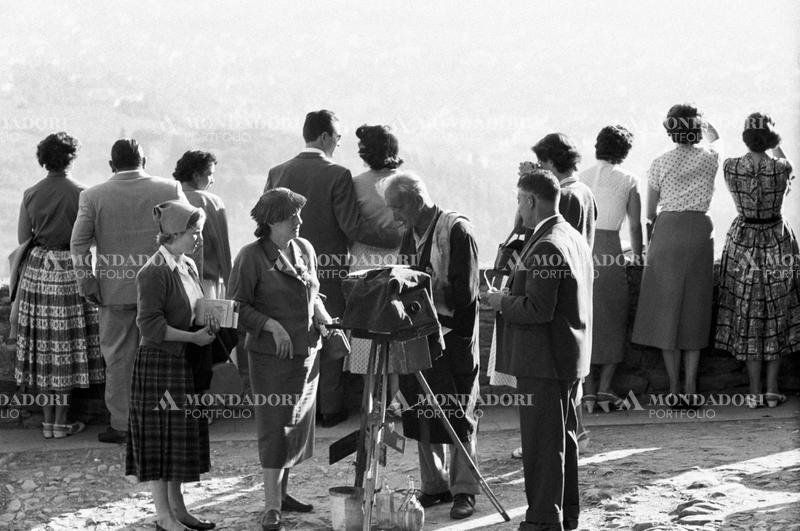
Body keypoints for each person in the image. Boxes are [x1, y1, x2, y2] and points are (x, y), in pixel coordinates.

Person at [265, 110, 401, 427]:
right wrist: (397, 238)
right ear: (325, 137)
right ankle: (329, 410)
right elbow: (353, 228)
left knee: (290, 335)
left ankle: (293, 410)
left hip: (280, 267)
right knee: (329, 337)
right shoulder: (338, 174)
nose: (339, 145)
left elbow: (264, 221)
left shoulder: (277, 172)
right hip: (328, 270)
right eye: (338, 138)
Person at [485, 168, 593, 531]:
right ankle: (566, 514)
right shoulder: (572, 235)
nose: (518, 207)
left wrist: (500, 301)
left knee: (541, 445)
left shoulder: (546, 244)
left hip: (545, 360)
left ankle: (543, 521)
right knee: (563, 440)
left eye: (519, 200)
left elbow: (536, 309)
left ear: (530, 201)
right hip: (567, 356)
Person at [228, 188, 333, 531]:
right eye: (292, 217)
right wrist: (271, 325)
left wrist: (322, 316)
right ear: (271, 222)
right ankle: (271, 506)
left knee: (295, 425)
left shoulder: (304, 249)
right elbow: (238, 307)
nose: (299, 222)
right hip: (270, 359)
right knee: (274, 429)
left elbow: (313, 292)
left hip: (306, 355)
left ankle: (283, 495)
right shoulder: (250, 257)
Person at [71, 138, 186, 444]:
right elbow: (188, 236)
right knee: (165, 355)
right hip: (165, 289)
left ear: (112, 165)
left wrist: (88, 279)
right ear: (144, 162)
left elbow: (79, 243)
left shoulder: (93, 196)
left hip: (115, 291)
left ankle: (122, 425)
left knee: (119, 360)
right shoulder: (170, 189)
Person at [384, 172, 481, 520]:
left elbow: (466, 294)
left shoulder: (456, 230)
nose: (395, 217)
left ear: (417, 201)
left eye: (398, 208)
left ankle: (465, 489)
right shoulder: (410, 233)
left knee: (457, 413)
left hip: (454, 338)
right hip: (420, 337)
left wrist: (425, 295)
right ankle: (434, 486)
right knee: (422, 409)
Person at [126, 200, 216, 531]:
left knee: (178, 440)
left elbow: (194, 307)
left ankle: (179, 510)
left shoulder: (186, 265)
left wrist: (213, 318)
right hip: (161, 363)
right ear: (175, 233)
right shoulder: (153, 272)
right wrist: (192, 339)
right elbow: (150, 326)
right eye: (195, 232)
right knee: (161, 441)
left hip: (184, 362)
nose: (199, 239)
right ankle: (163, 515)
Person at [15, 132, 104, 439]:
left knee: (44, 348)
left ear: (43, 159)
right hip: (70, 268)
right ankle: (62, 420)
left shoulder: (30, 193)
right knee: (66, 346)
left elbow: (22, 239)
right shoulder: (83, 194)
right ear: (71, 158)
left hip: (39, 271)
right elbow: (90, 238)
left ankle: (48, 421)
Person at [632, 104, 720, 405]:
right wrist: (700, 123)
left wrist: (645, 246)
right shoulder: (711, 157)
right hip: (698, 230)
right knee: (695, 310)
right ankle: (692, 389)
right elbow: (714, 135)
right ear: (696, 128)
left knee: (666, 310)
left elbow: (648, 214)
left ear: (670, 131)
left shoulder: (659, 163)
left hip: (667, 230)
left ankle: (672, 389)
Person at [715, 113, 800, 408]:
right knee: (778, 312)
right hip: (776, 238)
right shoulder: (781, 167)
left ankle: (753, 390)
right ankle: (773, 388)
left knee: (748, 313)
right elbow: (787, 167)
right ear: (771, 137)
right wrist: (775, 142)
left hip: (744, 240)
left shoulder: (731, 167)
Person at [578, 125, 643, 413]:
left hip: (582, 251)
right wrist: (639, 255)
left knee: (585, 319)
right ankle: (605, 388)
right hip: (610, 251)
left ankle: (588, 392)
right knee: (614, 320)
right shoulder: (628, 180)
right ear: (625, 152)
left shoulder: (580, 178)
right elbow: (635, 224)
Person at [345, 124, 404, 374]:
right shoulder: (408, 182)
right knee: (399, 329)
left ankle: (364, 392)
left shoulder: (354, 184)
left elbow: (348, 226)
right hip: (400, 267)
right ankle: (396, 395)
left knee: (362, 331)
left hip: (362, 268)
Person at [172, 150, 232, 299]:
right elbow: (223, 247)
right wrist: (231, 286)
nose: (212, 180)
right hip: (205, 283)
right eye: (210, 174)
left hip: (170, 281)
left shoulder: (167, 199)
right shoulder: (210, 202)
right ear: (196, 175)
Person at [532, 133, 597, 248]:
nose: (539, 168)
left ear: (551, 162)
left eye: (540, 163)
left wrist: (529, 186)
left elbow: (527, 226)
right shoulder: (585, 191)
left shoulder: (563, 196)